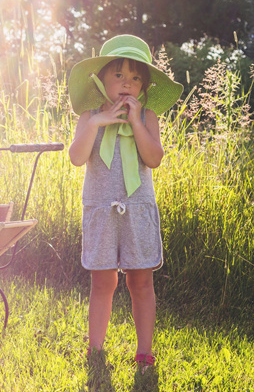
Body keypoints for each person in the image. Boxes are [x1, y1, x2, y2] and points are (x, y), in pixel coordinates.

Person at [67, 35, 183, 369]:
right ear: (101, 79)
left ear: (144, 87)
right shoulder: (89, 116)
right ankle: (96, 348)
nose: (126, 84)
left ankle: (144, 351)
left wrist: (135, 120)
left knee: (141, 281)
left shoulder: (148, 117)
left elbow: (153, 158)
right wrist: (96, 123)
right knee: (103, 281)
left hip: (137, 209)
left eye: (135, 78)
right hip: (101, 209)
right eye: (119, 75)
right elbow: (76, 157)